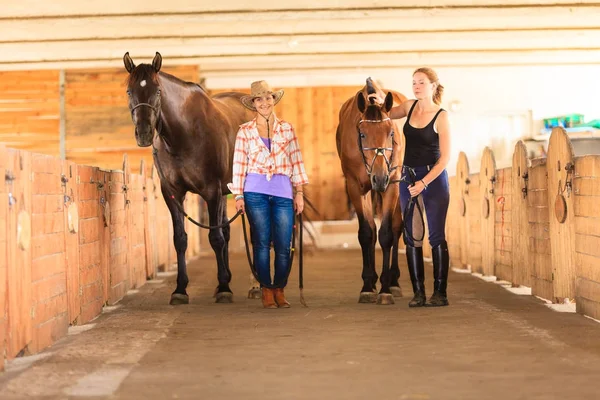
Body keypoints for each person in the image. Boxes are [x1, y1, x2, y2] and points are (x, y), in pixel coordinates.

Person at [371, 68, 451, 307]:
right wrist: (376, 93)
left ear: (433, 86)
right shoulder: (408, 107)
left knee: (436, 236)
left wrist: (423, 183)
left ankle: (440, 293)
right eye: (414, 83)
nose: (416, 86)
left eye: (421, 83)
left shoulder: (441, 116)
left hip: (433, 179)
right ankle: (418, 293)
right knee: (412, 236)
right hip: (408, 177)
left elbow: (445, 158)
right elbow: (386, 111)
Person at [227, 80, 309, 309]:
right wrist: (239, 196)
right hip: (255, 192)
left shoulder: (287, 129)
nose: (264, 103)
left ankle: (279, 288)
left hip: (283, 191)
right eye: (259, 99)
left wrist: (299, 192)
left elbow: (296, 160)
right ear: (253, 104)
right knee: (261, 243)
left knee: (284, 244)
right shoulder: (245, 131)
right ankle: (266, 290)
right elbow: (239, 164)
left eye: (268, 98)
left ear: (274, 101)